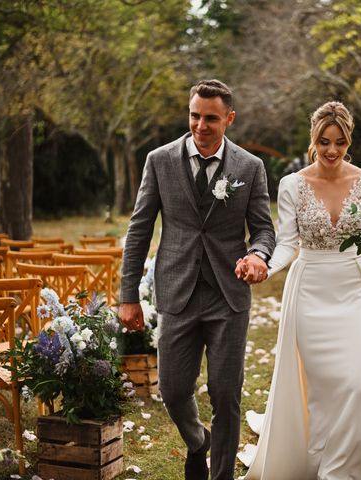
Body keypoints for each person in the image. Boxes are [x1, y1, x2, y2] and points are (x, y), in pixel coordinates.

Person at [237, 101, 361, 479]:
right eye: (324, 142)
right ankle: (323, 464)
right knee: (323, 391)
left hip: (355, 290)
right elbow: (288, 243)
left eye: (339, 142)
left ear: (349, 139)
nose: (332, 150)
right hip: (309, 292)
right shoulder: (292, 184)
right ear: (314, 140)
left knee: (356, 385)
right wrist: (263, 267)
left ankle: (346, 470)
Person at [119, 79, 276, 480]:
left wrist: (258, 255)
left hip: (228, 296)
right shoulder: (159, 160)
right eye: (194, 115)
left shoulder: (249, 167)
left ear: (229, 119)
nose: (200, 125)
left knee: (227, 395)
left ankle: (220, 475)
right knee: (172, 390)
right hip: (177, 292)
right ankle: (197, 442)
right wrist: (129, 295)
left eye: (210, 118)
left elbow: (262, 228)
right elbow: (139, 230)